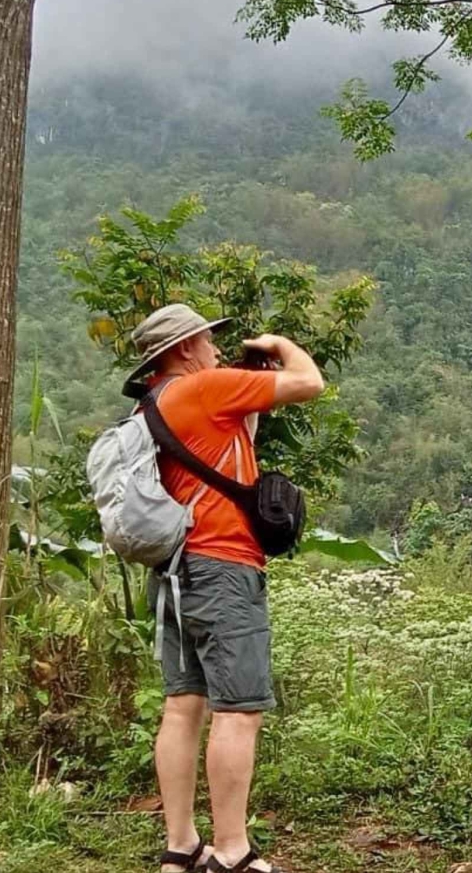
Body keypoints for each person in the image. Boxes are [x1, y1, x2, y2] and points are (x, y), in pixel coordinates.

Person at [126, 304, 324, 873]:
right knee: (238, 709)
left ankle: (181, 845)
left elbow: (232, 450)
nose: (215, 347)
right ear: (185, 348)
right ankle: (232, 850)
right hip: (222, 565)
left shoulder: (156, 404)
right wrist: (278, 342)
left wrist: (249, 372)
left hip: (175, 571)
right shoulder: (205, 388)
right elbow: (309, 382)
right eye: (208, 340)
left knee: (183, 705)